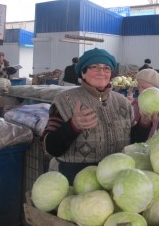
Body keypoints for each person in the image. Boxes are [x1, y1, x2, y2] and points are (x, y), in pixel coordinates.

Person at [41, 48, 133, 184]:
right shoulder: (64, 101)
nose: (101, 72)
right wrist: (72, 126)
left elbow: (134, 141)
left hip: (116, 180)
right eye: (94, 67)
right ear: (83, 73)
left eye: (106, 68)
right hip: (75, 180)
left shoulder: (123, 102)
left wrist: (145, 123)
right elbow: (49, 147)